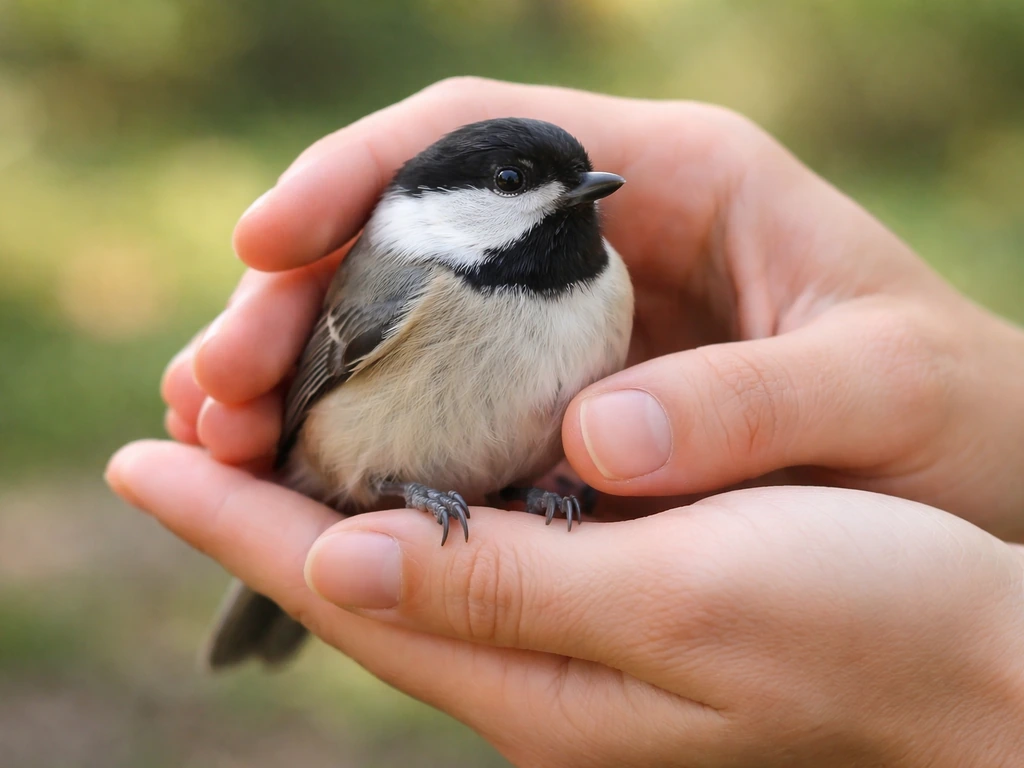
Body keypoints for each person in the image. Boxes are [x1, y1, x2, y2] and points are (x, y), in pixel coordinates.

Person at [105, 78, 1024, 766]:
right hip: (357, 468)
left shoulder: (605, 277)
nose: (573, 195)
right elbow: (317, 401)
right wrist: (397, 491)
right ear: (436, 207)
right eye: (519, 179)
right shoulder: (408, 280)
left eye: (572, 179)